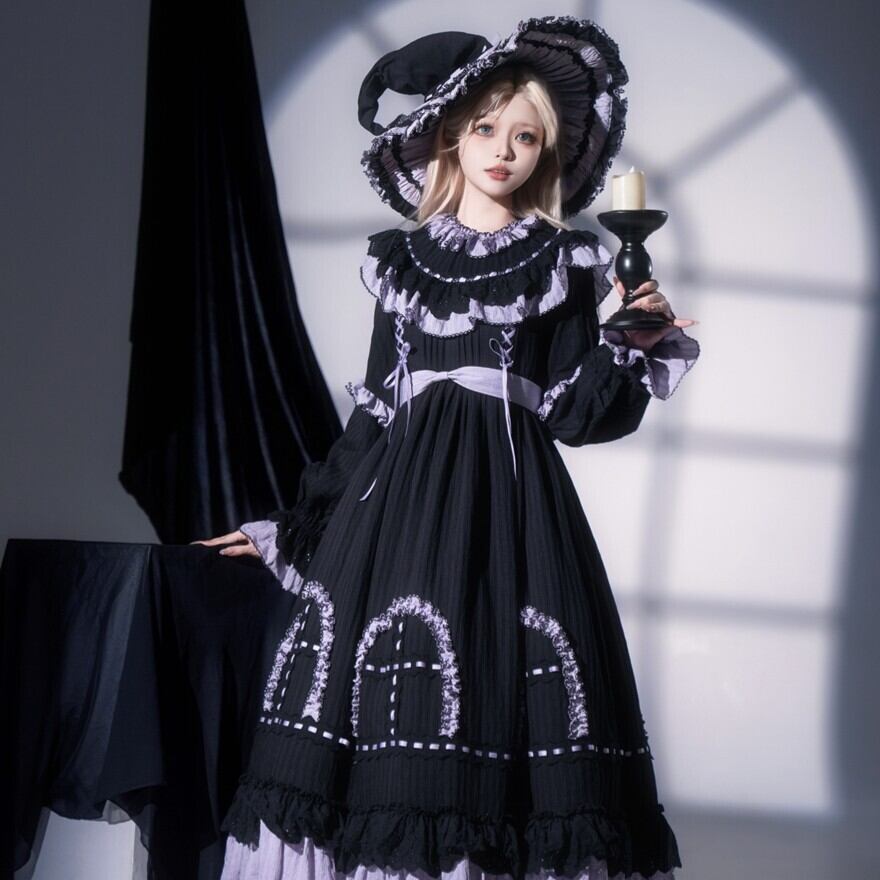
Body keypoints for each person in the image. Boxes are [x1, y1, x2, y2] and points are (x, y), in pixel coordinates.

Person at [196, 15, 700, 880]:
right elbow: (373, 418)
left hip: (516, 519)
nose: (503, 150)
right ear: (450, 136)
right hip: (395, 522)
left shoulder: (568, 261)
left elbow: (575, 416)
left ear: (546, 153)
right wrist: (292, 526)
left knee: (508, 700)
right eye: (486, 128)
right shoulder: (402, 263)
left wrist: (627, 343)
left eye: (525, 137)